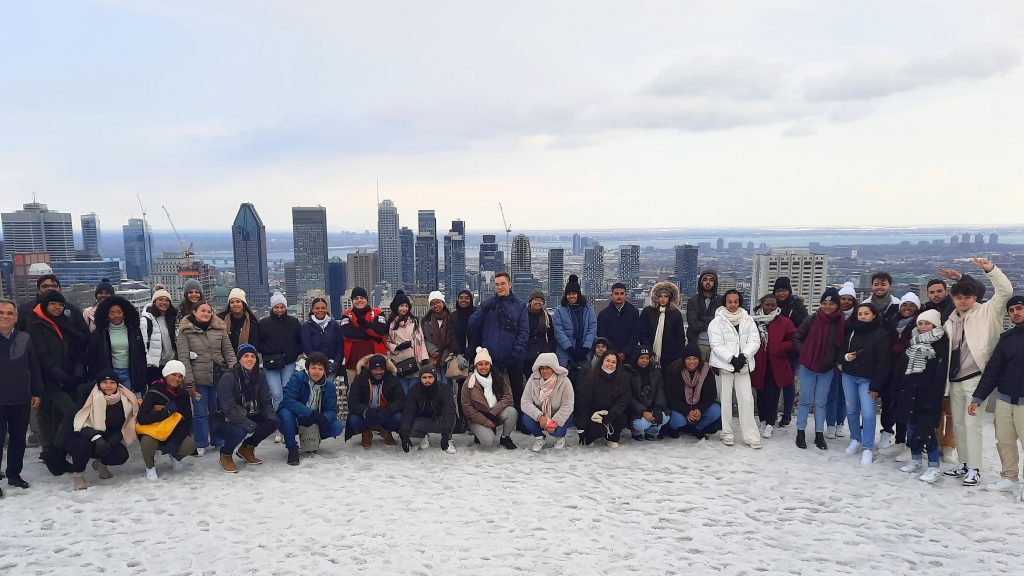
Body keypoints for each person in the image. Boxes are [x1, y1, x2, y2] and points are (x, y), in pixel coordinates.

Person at [942, 257, 1012, 487]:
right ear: (953, 298)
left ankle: (975, 468)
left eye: (967, 297)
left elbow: (1004, 291)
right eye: (958, 297)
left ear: (975, 298)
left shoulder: (987, 313)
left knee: (972, 425)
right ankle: (963, 463)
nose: (962, 301)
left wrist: (990, 269)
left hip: (976, 379)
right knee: (959, 425)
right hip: (955, 380)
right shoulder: (950, 321)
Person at [970, 296, 1024, 492]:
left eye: (1019, 308)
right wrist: (978, 397)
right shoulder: (1006, 339)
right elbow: (993, 370)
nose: (1016, 313)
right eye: (1012, 310)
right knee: (1004, 441)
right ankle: (1009, 477)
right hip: (1005, 399)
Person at [25, 290, 87, 455]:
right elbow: (42, 355)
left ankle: (56, 453)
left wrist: (76, 374)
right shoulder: (36, 324)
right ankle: (54, 450)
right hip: (50, 381)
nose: (57, 307)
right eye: (53, 303)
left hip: (69, 378)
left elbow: (76, 351)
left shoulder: (65, 322)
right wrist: (62, 377)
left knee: (58, 417)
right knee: (71, 412)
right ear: (45, 305)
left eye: (60, 304)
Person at [892, 309, 948, 483]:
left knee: (928, 430)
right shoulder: (912, 343)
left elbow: (939, 374)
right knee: (911, 428)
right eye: (920, 323)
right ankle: (916, 459)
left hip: (928, 393)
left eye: (927, 323)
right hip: (909, 391)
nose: (923, 327)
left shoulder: (941, 345)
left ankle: (933, 465)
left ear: (935, 325)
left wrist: (933, 397)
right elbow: (902, 369)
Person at [176, 301, 237, 456]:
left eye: (209, 311)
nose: (206, 314)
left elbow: (228, 352)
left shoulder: (219, 329)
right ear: (194, 312)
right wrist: (188, 381)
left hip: (219, 377)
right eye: (202, 311)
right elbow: (183, 358)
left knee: (217, 410)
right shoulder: (185, 331)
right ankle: (201, 442)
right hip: (197, 380)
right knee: (200, 411)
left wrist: (234, 372)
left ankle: (218, 440)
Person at [469, 273, 529, 424]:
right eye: (497, 284)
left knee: (517, 389)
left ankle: (520, 422)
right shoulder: (488, 304)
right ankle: (491, 421)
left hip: (514, 356)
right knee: (490, 390)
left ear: (510, 284)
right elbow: (472, 323)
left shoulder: (520, 305)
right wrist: (483, 309)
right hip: (491, 357)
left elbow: (524, 331)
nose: (499, 287)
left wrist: (516, 353)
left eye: (503, 284)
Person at [63, 371, 139, 490]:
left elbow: (125, 426)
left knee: (120, 455)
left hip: (108, 436)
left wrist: (109, 443)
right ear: (99, 384)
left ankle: (101, 464)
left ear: (117, 384)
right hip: (83, 435)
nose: (108, 385)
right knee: (81, 445)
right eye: (104, 382)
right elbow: (78, 421)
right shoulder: (88, 396)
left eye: (112, 382)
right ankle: (78, 476)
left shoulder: (126, 400)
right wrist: (97, 438)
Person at [211, 344, 278, 473]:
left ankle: (247, 448)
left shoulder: (260, 375)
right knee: (239, 431)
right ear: (239, 359)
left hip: (251, 412)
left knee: (273, 421)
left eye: (253, 356)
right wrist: (250, 425)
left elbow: (266, 401)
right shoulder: (228, 378)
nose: (250, 359)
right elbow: (228, 409)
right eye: (246, 356)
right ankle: (226, 454)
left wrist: (271, 419)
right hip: (224, 420)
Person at [793, 288, 845, 451]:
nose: (827, 307)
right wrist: (806, 352)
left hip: (827, 367)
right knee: (805, 401)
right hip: (808, 365)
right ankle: (800, 432)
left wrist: (836, 360)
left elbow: (842, 345)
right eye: (824, 303)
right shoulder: (812, 319)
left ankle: (819, 433)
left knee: (821, 402)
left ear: (837, 305)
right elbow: (797, 337)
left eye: (831, 304)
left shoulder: (841, 322)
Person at [708, 289, 762, 449]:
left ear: (740, 302)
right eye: (729, 301)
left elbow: (755, 340)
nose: (732, 304)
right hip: (725, 366)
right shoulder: (716, 322)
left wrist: (743, 356)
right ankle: (727, 433)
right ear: (725, 302)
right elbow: (716, 344)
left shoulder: (748, 320)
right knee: (725, 401)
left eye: (736, 301)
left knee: (746, 400)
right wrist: (731, 359)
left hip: (743, 366)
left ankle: (751, 435)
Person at [840, 303, 892, 466]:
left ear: (873, 315)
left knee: (869, 413)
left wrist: (876, 386)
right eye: (860, 313)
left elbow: (884, 363)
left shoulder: (881, 334)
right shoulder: (850, 330)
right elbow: (839, 351)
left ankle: (868, 447)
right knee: (851, 410)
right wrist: (846, 357)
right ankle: (856, 438)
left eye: (866, 313)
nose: (862, 316)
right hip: (848, 376)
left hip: (868, 380)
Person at [0, 299, 43, 494]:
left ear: (16, 317)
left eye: (10, 313)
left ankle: (14, 474)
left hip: (21, 397)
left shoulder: (24, 338)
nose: (5, 316)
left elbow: (34, 367)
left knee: (18, 439)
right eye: (1, 313)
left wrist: (36, 391)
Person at [278, 351, 343, 465]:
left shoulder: (329, 386)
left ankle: (312, 438)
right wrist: (310, 413)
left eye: (320, 369)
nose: (316, 372)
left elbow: (331, 410)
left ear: (325, 371)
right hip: (297, 416)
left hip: (315, 418)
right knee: (285, 413)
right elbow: (288, 400)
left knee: (336, 427)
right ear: (307, 368)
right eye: (313, 368)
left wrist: (324, 418)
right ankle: (292, 449)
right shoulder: (297, 378)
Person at [136, 360, 196, 481]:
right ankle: (150, 466)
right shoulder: (153, 392)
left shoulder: (183, 395)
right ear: (166, 374)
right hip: (154, 431)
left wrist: (175, 441)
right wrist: (165, 413)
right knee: (147, 441)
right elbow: (142, 418)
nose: (177, 379)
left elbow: (187, 420)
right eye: (173, 374)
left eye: (180, 376)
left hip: (173, 431)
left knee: (190, 444)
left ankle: (175, 456)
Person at [880, 292, 922, 454]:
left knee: (906, 406)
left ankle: (906, 442)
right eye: (905, 305)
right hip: (890, 370)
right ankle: (892, 436)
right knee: (889, 403)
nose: (908, 308)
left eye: (912, 305)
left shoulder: (920, 324)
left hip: (910, 370)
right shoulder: (892, 323)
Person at [750, 294, 796, 439]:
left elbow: (794, 339)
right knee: (760, 394)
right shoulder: (753, 321)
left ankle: (770, 422)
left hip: (776, 364)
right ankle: (762, 420)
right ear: (761, 305)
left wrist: (779, 347)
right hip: (759, 363)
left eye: (773, 305)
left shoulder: (784, 322)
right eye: (767, 305)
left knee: (773, 394)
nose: (770, 308)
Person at [85, 295, 147, 395]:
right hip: (109, 375)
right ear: (106, 314)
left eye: (119, 312)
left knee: (133, 404)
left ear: (124, 313)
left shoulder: (133, 331)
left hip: (130, 373)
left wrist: (142, 374)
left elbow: (141, 353)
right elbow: (93, 357)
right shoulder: (100, 333)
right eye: (112, 313)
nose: (116, 316)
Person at [462, 347, 518, 449]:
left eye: (486, 364)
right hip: (478, 418)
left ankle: (505, 437)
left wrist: (493, 412)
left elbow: (508, 397)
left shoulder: (498, 378)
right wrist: (485, 421)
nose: (484, 367)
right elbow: (467, 407)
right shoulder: (469, 383)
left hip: (495, 412)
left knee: (512, 412)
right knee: (488, 442)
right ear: (476, 366)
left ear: (490, 365)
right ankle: (479, 433)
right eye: (480, 364)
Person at [345, 354, 406, 449]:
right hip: (367, 414)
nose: (378, 372)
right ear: (369, 368)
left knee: (398, 418)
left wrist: (388, 409)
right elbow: (352, 402)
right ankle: (366, 432)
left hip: (385, 413)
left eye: (381, 369)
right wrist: (365, 411)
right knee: (353, 420)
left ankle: (386, 430)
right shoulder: (360, 379)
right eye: (375, 369)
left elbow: (401, 400)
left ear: (385, 369)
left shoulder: (392, 379)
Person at [257, 291, 302, 417]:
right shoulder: (264, 323)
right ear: (272, 308)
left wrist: (293, 353)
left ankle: (286, 421)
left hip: (288, 362)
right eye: (276, 307)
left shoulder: (293, 322)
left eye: (282, 307)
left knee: (286, 393)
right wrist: (270, 351)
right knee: (277, 394)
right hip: (271, 364)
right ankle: (279, 423)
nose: (279, 310)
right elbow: (258, 343)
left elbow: (300, 341)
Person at [520, 352, 575, 452]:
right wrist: (539, 416)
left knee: (557, 431)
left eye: (548, 367)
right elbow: (525, 402)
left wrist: (555, 422)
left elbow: (568, 405)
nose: (545, 371)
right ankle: (540, 438)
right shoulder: (533, 379)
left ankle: (560, 437)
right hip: (541, 415)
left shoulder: (564, 381)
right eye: (542, 368)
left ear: (554, 368)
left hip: (559, 415)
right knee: (526, 419)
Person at [665, 344, 722, 439]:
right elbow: (670, 396)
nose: (692, 362)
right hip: (680, 408)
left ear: (699, 359)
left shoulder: (706, 370)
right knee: (678, 419)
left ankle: (698, 428)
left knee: (716, 410)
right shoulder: (674, 370)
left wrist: (699, 409)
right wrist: (687, 411)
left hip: (698, 407)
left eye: (695, 358)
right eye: (688, 359)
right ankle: (674, 429)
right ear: (684, 359)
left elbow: (711, 395)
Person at [574, 351, 630, 447]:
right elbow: (583, 402)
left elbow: (623, 399)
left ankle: (612, 437)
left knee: (622, 418)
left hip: (611, 413)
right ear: (602, 362)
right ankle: (592, 435)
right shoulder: (591, 377)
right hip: (593, 415)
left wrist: (612, 414)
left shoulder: (623, 378)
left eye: (613, 362)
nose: (610, 364)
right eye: (608, 361)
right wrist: (581, 426)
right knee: (597, 431)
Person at [399, 365, 457, 454]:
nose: (427, 380)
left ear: (435, 377)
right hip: (423, 420)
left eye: (430, 377)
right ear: (420, 378)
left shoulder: (444, 389)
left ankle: (448, 440)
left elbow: (448, 410)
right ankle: (423, 436)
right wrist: (405, 434)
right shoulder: (414, 390)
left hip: (439, 419)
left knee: (451, 416)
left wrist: (445, 434)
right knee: (406, 427)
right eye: (424, 377)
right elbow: (408, 411)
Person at [773, 276, 807, 428]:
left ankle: (787, 414)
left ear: (789, 290)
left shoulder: (797, 305)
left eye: (784, 290)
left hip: (791, 350)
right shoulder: (770, 304)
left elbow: (805, 326)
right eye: (778, 290)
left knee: (788, 382)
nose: (781, 294)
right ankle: (772, 413)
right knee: (772, 382)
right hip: (774, 349)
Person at [339, 287, 388, 385]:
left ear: (366, 299)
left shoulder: (378, 312)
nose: (359, 300)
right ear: (352, 300)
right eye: (356, 298)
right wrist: (372, 334)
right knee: (353, 392)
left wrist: (365, 325)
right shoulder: (347, 314)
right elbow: (348, 333)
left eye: (362, 298)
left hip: (376, 363)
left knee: (376, 390)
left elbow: (381, 330)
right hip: (352, 363)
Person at [552, 275, 598, 375]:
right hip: (565, 354)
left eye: (574, 293)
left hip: (585, 354)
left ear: (579, 294)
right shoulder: (559, 311)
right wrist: (569, 348)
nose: (571, 296)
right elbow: (558, 331)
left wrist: (586, 348)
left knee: (584, 383)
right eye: (569, 294)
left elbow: (592, 328)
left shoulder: (588, 309)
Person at [640, 281, 686, 380]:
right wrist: (648, 351)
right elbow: (643, 333)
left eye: (665, 296)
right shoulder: (647, 311)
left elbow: (680, 337)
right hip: (649, 355)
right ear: (656, 297)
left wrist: (678, 357)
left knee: (668, 382)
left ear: (670, 298)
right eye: (660, 296)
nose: (663, 299)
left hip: (670, 356)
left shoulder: (676, 314)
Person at [627, 347, 668, 441]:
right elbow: (628, 397)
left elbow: (660, 391)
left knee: (664, 417)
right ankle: (635, 432)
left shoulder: (656, 372)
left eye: (647, 358)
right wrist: (643, 411)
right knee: (641, 424)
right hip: (636, 410)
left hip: (653, 407)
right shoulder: (628, 373)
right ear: (636, 358)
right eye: (642, 358)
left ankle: (650, 432)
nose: (645, 360)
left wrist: (658, 408)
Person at [140, 286, 178, 386]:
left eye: (167, 300)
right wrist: (148, 362)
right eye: (160, 299)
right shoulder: (147, 320)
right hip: (155, 366)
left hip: (171, 363)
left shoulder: (174, 319)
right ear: (154, 301)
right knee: (157, 393)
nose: (164, 303)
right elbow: (142, 343)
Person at [300, 296, 344, 379]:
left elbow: (340, 345)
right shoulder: (306, 326)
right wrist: (320, 363)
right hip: (315, 367)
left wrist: (337, 362)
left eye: (323, 308)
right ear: (312, 310)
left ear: (327, 309)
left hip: (332, 366)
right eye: (317, 308)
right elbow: (307, 347)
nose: (320, 310)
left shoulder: (334, 325)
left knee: (328, 388)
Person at [598, 282, 641, 360]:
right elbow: (602, 336)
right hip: (609, 356)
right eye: (616, 294)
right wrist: (614, 353)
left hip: (629, 355)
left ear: (626, 295)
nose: (619, 296)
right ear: (611, 295)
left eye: (622, 293)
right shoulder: (603, 314)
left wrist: (625, 352)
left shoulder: (634, 312)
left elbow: (635, 335)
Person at [421, 291, 457, 382]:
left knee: (446, 385)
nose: (436, 306)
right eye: (433, 304)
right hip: (433, 358)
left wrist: (446, 354)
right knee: (435, 383)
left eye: (438, 302)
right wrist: (432, 350)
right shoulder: (425, 321)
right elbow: (422, 339)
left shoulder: (451, 318)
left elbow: (453, 338)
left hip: (447, 357)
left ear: (443, 303)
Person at [686, 270, 721, 362]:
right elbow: (693, 323)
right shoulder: (693, 301)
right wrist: (712, 323)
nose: (708, 282)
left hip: (717, 346)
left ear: (715, 282)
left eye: (711, 280)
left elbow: (722, 323)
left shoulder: (721, 301)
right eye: (705, 280)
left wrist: (701, 319)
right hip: (697, 345)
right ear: (701, 282)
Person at [523, 289, 555, 382]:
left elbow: (551, 336)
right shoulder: (522, 316)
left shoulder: (546, 317)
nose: (539, 302)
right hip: (526, 356)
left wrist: (549, 350)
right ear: (530, 301)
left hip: (542, 355)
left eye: (541, 300)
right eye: (536, 299)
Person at [218, 287, 262, 353]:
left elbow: (254, 345)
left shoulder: (252, 323)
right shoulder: (221, 321)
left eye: (238, 302)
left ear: (243, 304)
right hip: (224, 359)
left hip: (245, 359)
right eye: (232, 302)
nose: (235, 304)